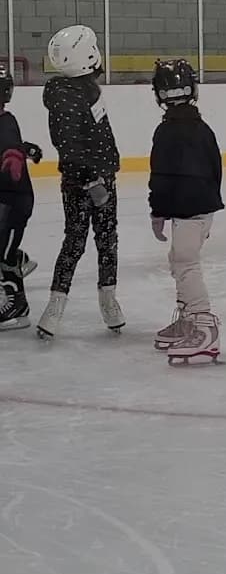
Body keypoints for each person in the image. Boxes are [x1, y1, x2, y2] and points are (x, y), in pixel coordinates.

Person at [38, 25, 124, 340]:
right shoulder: (66, 97)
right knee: (75, 242)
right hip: (84, 182)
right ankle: (55, 308)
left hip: (103, 177)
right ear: (85, 55)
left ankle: (109, 300)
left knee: (107, 240)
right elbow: (68, 143)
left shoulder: (85, 89)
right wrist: (91, 179)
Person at [149, 58, 223, 364]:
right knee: (180, 260)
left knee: (185, 261)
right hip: (201, 208)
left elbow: (161, 177)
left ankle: (205, 326)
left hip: (188, 209)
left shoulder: (165, 132)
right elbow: (216, 166)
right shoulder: (202, 128)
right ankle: (189, 318)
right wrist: (209, 203)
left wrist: (157, 211)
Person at [0, 67, 42, 331]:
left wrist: (18, 154)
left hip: (14, 201)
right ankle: (20, 259)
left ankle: (17, 307)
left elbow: (11, 147)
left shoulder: (6, 122)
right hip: (6, 199)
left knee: (2, 254)